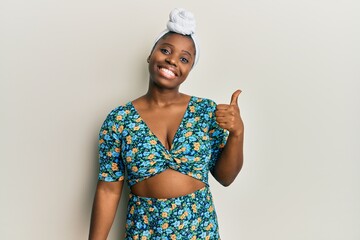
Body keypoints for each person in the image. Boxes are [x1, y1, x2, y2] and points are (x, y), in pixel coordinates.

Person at [89, 8, 244, 240]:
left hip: (200, 231)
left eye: (184, 59)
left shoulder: (205, 112)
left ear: (189, 69)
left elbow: (225, 177)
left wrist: (237, 133)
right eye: (165, 50)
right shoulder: (119, 120)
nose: (172, 60)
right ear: (150, 55)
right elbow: (108, 189)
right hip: (144, 231)